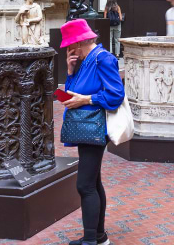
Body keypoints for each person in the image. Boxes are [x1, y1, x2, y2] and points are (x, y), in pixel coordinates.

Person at [59, 19, 124, 245]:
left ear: (78, 43)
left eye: (69, 45)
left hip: (95, 127)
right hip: (85, 127)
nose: (68, 50)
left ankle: (91, 241)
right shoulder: (84, 61)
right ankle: (98, 237)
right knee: (93, 182)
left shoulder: (103, 59)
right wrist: (69, 71)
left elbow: (116, 96)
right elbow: (71, 93)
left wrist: (86, 99)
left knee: (84, 185)